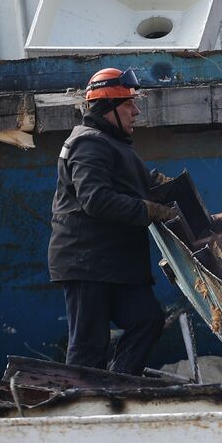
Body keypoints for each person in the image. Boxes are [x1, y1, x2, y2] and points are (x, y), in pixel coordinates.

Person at [48, 67, 176, 375]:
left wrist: (155, 185)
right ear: (108, 109)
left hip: (111, 264)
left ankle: (116, 387)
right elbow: (96, 199)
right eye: (129, 104)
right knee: (89, 348)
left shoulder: (109, 142)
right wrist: (149, 210)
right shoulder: (89, 143)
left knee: (146, 320)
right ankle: (82, 410)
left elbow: (123, 183)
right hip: (88, 263)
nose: (136, 111)